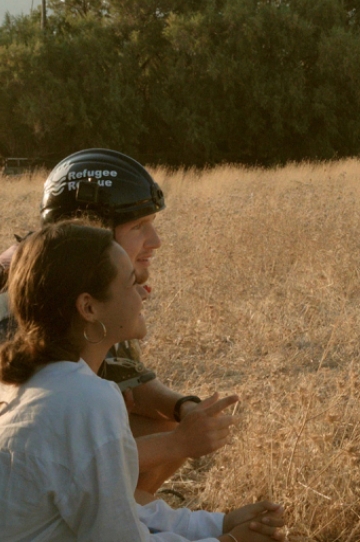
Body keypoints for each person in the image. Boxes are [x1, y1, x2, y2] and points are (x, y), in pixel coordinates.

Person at [0, 221, 285, 541]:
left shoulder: (29, 380)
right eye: (131, 282)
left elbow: (125, 506)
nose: (144, 294)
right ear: (88, 307)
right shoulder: (84, 399)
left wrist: (220, 524)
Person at [0, 148, 236, 503]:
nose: (154, 241)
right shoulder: (25, 293)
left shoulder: (82, 276)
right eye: (138, 226)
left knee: (161, 425)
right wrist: (176, 443)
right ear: (90, 228)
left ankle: (132, 515)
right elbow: (47, 449)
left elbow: (128, 378)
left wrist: (183, 408)